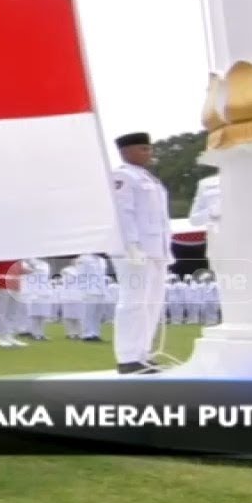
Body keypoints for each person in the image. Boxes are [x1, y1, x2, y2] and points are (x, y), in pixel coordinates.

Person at [110, 132, 173, 375]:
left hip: (156, 250)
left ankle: (142, 353)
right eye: (143, 149)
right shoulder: (122, 176)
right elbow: (122, 213)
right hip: (134, 250)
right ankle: (128, 357)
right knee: (134, 301)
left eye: (149, 149)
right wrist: (132, 245)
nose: (149, 153)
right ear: (126, 152)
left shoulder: (149, 179)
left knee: (152, 302)